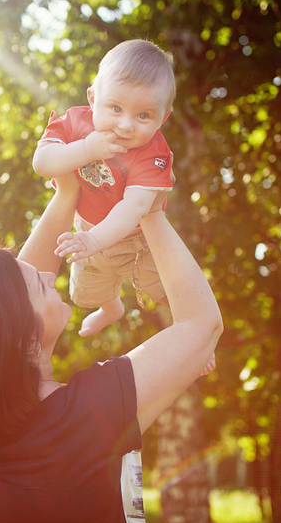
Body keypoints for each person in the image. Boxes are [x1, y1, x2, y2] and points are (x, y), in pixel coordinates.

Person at [0, 173, 223, 523]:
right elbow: (203, 324)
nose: (48, 275)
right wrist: (148, 205)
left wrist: (68, 192)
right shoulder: (91, 414)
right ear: (27, 343)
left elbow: (0, 319)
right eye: (40, 285)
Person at [32, 39, 176, 338]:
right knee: (89, 289)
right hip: (86, 226)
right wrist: (86, 148)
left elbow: (134, 207)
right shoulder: (76, 122)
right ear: (93, 98)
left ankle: (198, 331)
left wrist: (94, 240)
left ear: (163, 117)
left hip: (136, 240)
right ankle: (111, 309)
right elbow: (43, 163)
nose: (126, 125)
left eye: (143, 115)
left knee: (168, 290)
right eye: (115, 108)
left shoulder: (153, 154)